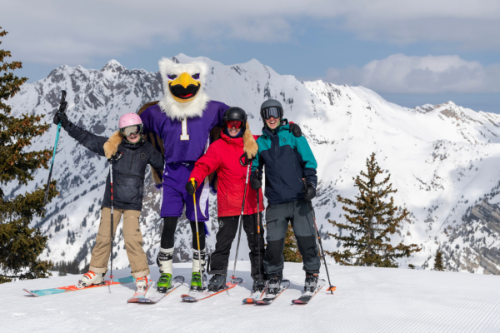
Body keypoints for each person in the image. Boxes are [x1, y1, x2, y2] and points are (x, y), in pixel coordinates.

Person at [138, 58, 229, 292]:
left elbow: (235, 119)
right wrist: (117, 140)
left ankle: (198, 272)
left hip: (199, 173)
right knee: (168, 223)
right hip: (172, 173)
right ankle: (166, 273)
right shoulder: (158, 112)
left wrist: (248, 141)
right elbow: (134, 124)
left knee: (197, 224)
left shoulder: (211, 108)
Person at [52, 111, 164, 292]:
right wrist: (66, 124)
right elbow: (86, 138)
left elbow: (165, 165)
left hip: (132, 205)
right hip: (111, 202)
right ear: (122, 133)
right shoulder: (114, 147)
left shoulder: (147, 150)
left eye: (135, 129)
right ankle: (96, 272)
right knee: (103, 237)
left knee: (132, 239)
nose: (133, 134)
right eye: (128, 131)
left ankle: (141, 275)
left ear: (140, 129)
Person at [186, 107, 265, 292]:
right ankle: (218, 275)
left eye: (238, 123)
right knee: (223, 242)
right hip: (229, 204)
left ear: (243, 124)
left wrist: (290, 126)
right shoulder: (218, 147)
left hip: (253, 203)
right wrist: (194, 179)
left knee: (257, 242)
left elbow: (274, 136)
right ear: (226, 124)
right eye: (231, 123)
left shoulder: (254, 143)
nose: (234, 127)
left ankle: (260, 276)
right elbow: (204, 165)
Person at [251, 99, 320, 294]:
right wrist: (255, 177)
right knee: (273, 244)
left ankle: (312, 274)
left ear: (281, 114)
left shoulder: (294, 135)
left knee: (306, 240)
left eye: (274, 113)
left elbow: (309, 162)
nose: (271, 117)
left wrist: (311, 185)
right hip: (276, 201)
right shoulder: (260, 142)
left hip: (299, 199)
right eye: (267, 114)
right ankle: (273, 275)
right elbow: (255, 166)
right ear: (263, 117)